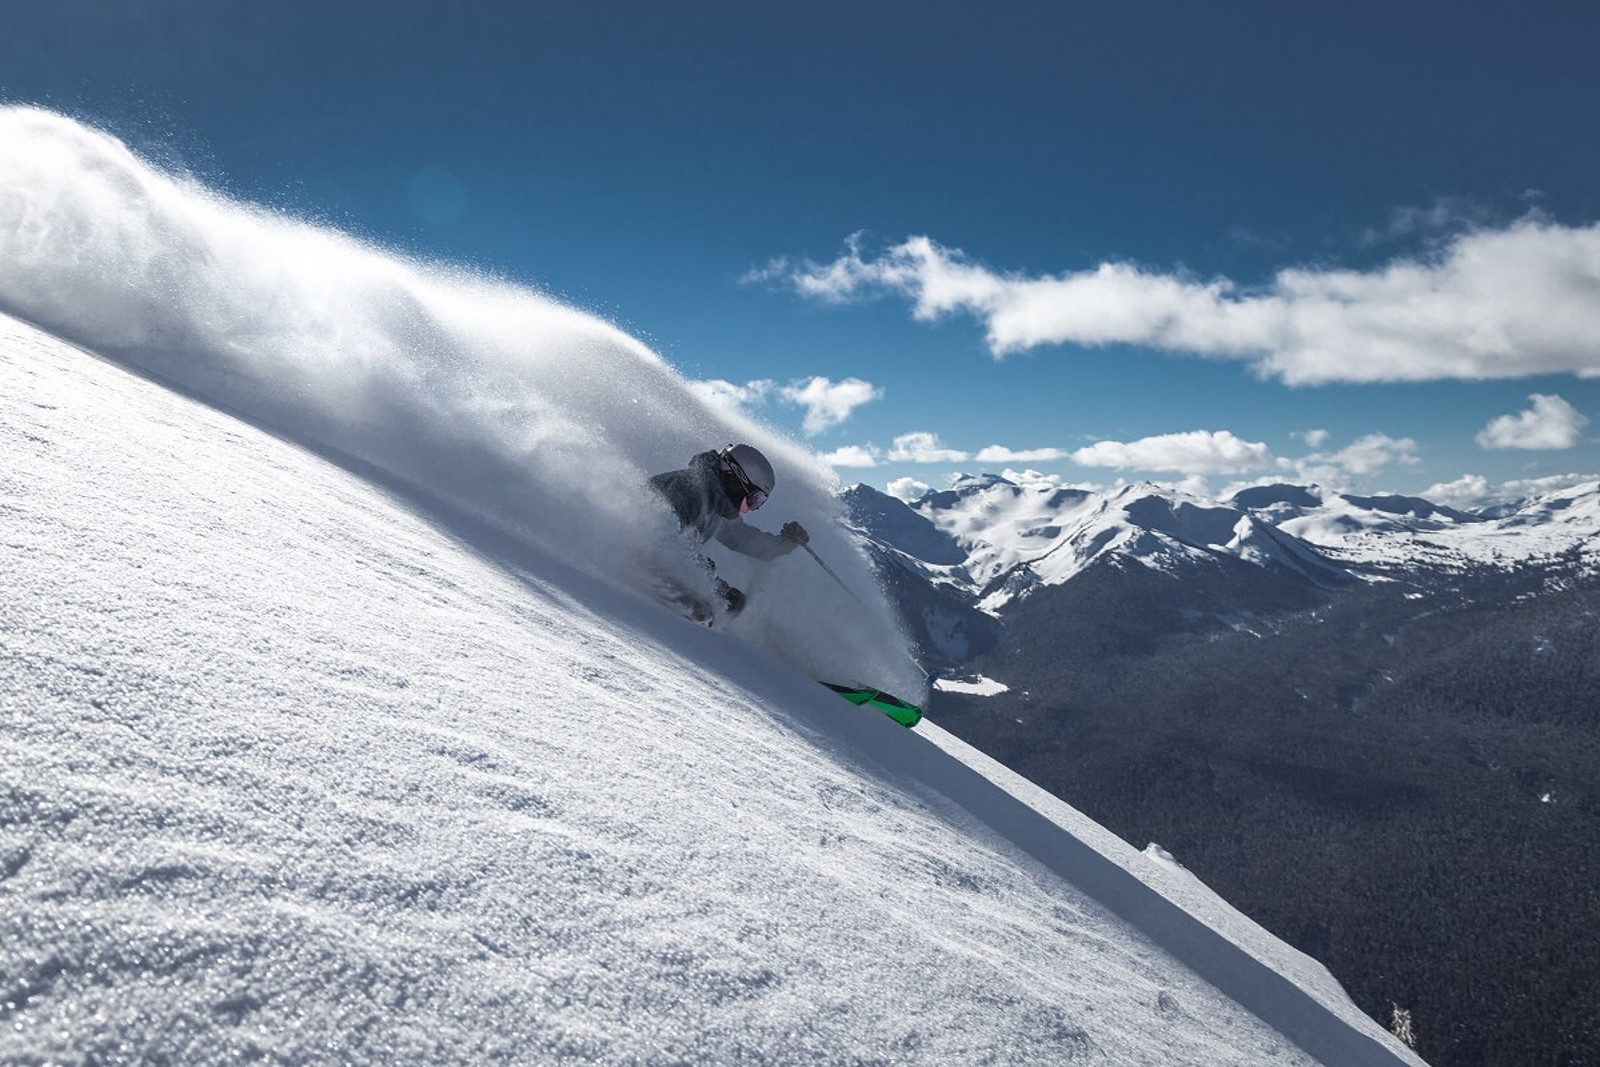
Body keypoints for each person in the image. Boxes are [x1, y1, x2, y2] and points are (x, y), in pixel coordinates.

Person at [649, 443, 809, 618]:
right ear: (737, 480)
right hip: (643, 577)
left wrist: (785, 543)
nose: (751, 508)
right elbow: (652, 550)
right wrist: (689, 601)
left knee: (734, 604)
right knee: (719, 608)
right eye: (754, 500)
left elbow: (742, 538)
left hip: (667, 573)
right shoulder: (686, 491)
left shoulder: (714, 504)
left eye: (759, 502)